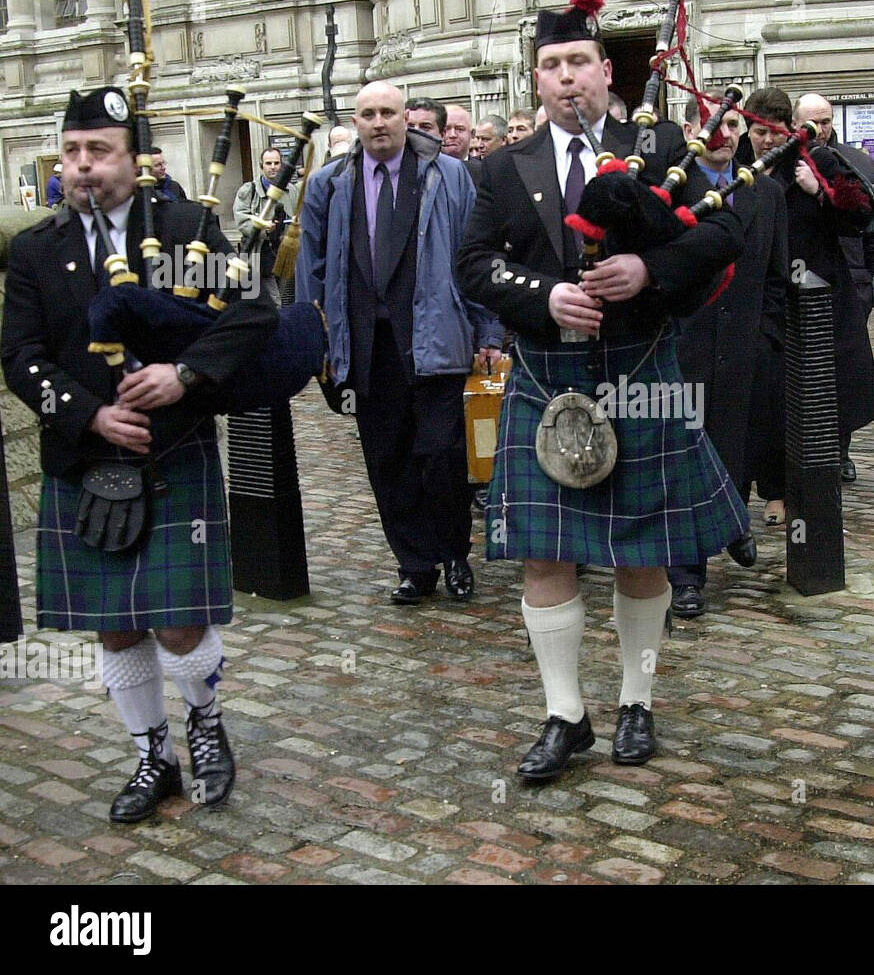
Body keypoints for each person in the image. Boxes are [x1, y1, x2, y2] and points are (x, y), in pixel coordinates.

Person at [456, 0, 745, 782]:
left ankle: (636, 701)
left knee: (640, 556)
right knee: (544, 556)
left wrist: (650, 266)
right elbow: (474, 265)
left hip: (640, 373)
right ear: (537, 82)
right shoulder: (500, 168)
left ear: (604, 70)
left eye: (578, 62)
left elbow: (724, 234)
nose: (566, 79)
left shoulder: (659, 147)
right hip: (549, 378)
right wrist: (541, 295)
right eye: (550, 67)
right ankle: (565, 714)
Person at [1, 87, 278, 822]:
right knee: (116, 623)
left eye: (100, 151)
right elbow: (20, 357)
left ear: (132, 159)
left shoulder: (181, 233)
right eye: (72, 152)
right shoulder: (37, 250)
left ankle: (206, 724)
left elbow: (254, 305)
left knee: (181, 620)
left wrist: (182, 374)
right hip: (82, 461)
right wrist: (89, 414)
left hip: (173, 447)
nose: (83, 167)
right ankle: (150, 753)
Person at [297, 82, 502, 605]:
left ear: (405, 117)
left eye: (388, 112)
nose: (379, 122)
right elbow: (312, 269)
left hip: (436, 336)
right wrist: (312, 338)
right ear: (357, 122)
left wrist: (489, 331)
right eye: (367, 114)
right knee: (387, 458)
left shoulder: (448, 175)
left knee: (441, 453)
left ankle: (454, 552)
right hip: (367, 343)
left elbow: (474, 254)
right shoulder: (330, 184)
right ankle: (414, 563)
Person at [668, 92, 788, 619]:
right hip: (685, 348)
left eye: (735, 124)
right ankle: (688, 574)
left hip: (745, 346)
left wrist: (766, 338)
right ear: (694, 128)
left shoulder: (765, 193)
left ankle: (731, 519)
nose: (726, 133)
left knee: (734, 449)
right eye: (715, 123)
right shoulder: (671, 191)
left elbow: (779, 277)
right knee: (685, 458)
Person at [747, 87, 874, 498]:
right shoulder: (737, 166)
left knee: (821, 392)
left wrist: (822, 194)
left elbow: (864, 214)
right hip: (761, 297)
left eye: (775, 132)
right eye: (759, 131)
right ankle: (769, 485)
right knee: (766, 395)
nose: (768, 141)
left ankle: (818, 477)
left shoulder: (816, 159)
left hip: (817, 295)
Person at [795, 93, 874, 482]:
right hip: (808, 279)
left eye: (826, 120)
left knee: (843, 370)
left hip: (852, 279)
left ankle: (841, 449)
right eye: (813, 121)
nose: (821, 128)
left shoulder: (857, 161)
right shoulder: (791, 162)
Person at [234, 147, 300, 280]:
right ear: (261, 166)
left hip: (287, 254)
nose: (273, 167)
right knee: (271, 298)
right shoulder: (248, 190)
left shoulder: (292, 191)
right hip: (261, 255)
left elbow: (301, 215)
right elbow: (241, 220)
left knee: (288, 297)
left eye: (276, 163)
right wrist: (264, 227)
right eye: (268, 163)